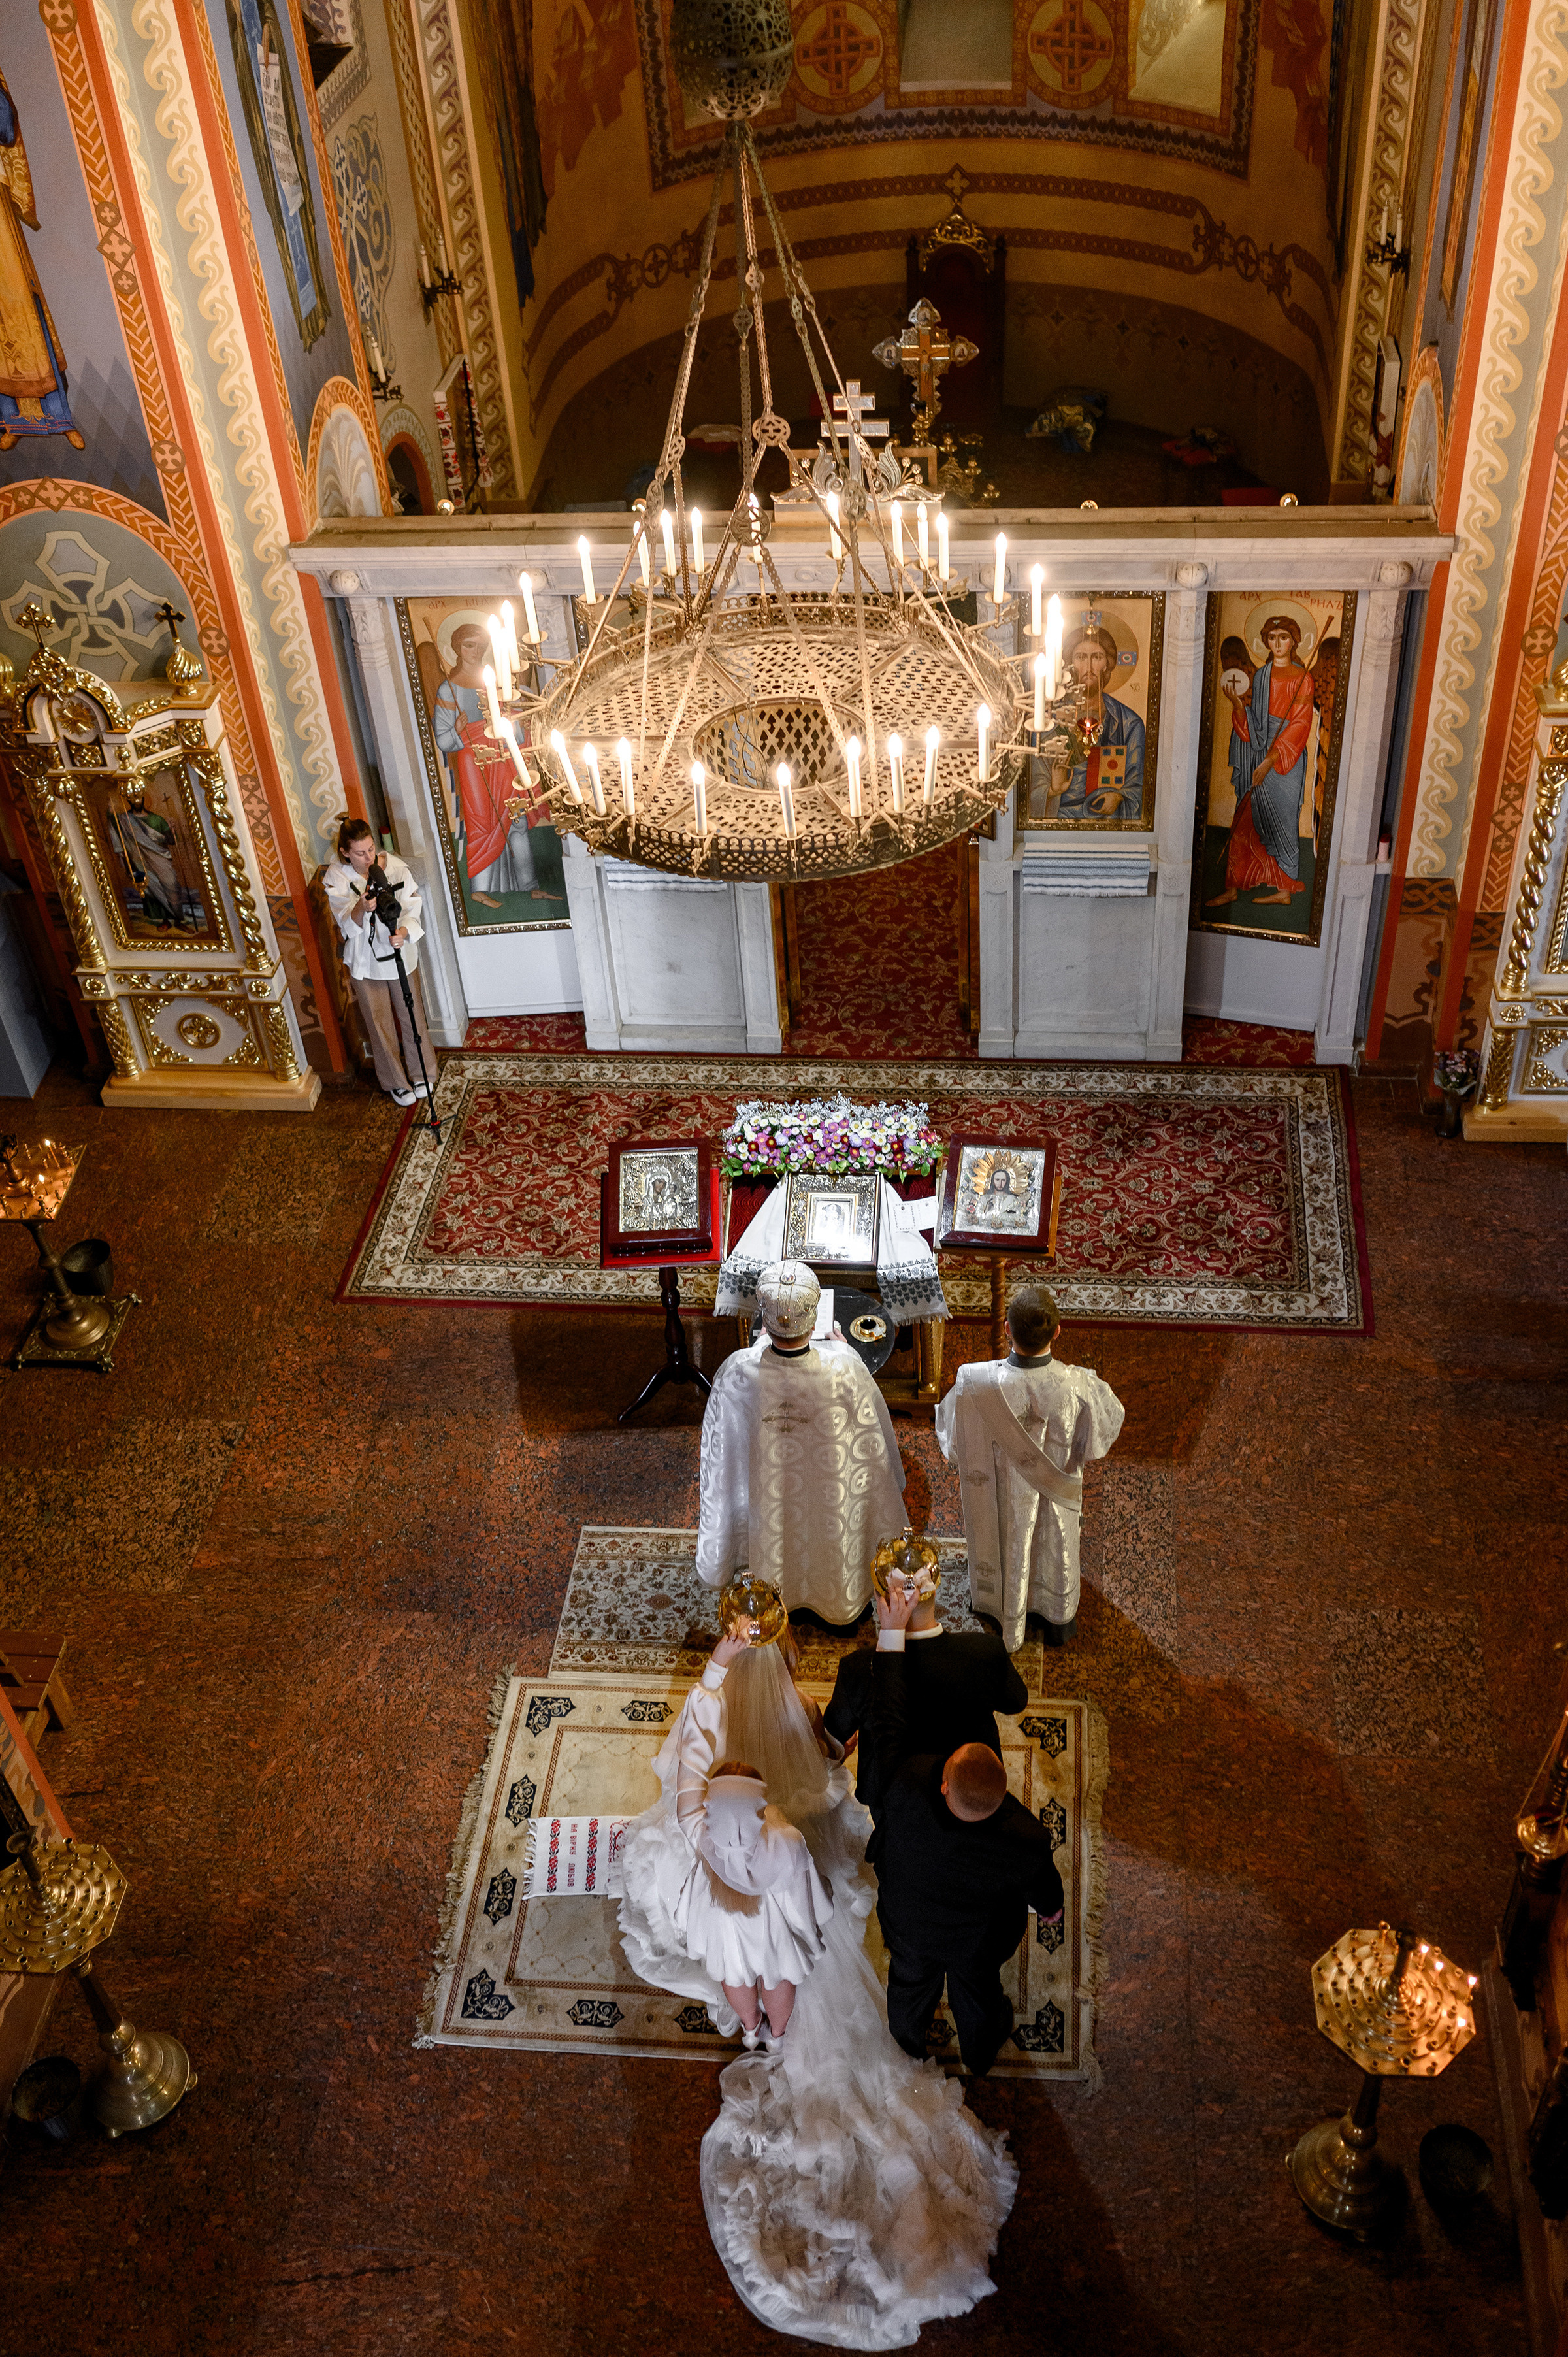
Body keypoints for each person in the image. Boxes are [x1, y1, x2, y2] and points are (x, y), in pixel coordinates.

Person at [617, 1594, 1020, 2343]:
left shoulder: (698, 1814)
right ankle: (778, 2012)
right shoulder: (783, 1837)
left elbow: (689, 1755)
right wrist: (806, 1941)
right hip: (776, 1932)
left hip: (724, 1929)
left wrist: (719, 1664)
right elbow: (808, 1892)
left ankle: (755, 2029)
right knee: (779, 1977)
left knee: (744, 1983)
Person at [865, 1594, 1064, 2080]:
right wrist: (1050, 1908)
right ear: (1003, 1793)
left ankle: (909, 2044)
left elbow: (889, 1722)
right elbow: (1049, 1898)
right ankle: (980, 2052)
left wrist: (890, 1636)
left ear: (945, 1782)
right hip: (979, 1941)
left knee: (908, 1988)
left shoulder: (905, 1789)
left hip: (911, 1927)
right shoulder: (1026, 1836)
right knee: (979, 1994)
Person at [696, 1259, 906, 1624]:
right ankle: (838, 1606)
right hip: (830, 1504)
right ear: (816, 1320)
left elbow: (719, 1456)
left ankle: (769, 1601)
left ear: (763, 1321)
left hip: (767, 1504)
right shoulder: (845, 1369)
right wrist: (844, 1350)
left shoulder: (736, 1372)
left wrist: (758, 1348)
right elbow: (878, 1452)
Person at [936, 1284, 1124, 1650]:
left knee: (1006, 1537)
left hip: (999, 1500)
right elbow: (1102, 1435)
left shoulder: (973, 1383)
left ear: (1007, 1329)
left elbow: (953, 1445)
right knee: (1051, 1545)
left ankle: (999, 1605)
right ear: (1057, 1330)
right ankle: (1052, 1613)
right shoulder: (1079, 1385)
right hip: (1054, 1497)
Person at [824, 1537, 1027, 1819]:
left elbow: (834, 1733)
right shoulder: (986, 1650)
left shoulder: (858, 1668)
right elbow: (1016, 1702)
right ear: (937, 1585)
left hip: (892, 1798)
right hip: (971, 1787)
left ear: (881, 1598)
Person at [431, 619, 557, 907]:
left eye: (481, 646)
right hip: (473, 762)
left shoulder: (500, 683)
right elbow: (444, 740)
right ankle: (478, 889)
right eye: (469, 645)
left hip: (503, 756)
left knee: (518, 822)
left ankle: (530, 886)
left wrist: (514, 721)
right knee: (482, 823)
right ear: (457, 649)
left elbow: (516, 723)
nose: (475, 651)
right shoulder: (448, 690)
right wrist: (459, 730)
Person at [322, 815, 436, 1109]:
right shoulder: (337, 878)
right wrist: (361, 906)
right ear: (346, 852)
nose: (368, 857)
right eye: (360, 853)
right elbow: (345, 924)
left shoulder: (396, 867)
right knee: (379, 1023)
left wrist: (404, 931)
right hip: (365, 963)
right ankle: (396, 1083)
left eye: (371, 849)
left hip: (399, 955)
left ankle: (423, 1072)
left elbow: (413, 905)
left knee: (411, 1014)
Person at [1207, 614, 1315, 909]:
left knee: (1283, 820)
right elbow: (1253, 725)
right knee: (1244, 820)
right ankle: (1232, 887)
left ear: (1294, 642)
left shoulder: (1304, 680)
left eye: (1284, 638)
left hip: (1284, 761)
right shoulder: (1263, 675)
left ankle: (1284, 890)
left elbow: (1300, 725)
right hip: (1258, 753)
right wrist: (1239, 708)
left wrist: (1271, 760)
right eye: (1272, 638)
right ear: (1266, 642)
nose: (1278, 644)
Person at [1045, 623, 1144, 821]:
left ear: (1107, 664)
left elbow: (1138, 786)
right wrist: (1053, 789)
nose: (1089, 668)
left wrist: (1118, 797)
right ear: (1070, 665)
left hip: (1108, 819)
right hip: (1061, 819)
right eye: (1081, 657)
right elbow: (1034, 786)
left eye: (1097, 657)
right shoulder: (1048, 721)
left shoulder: (1130, 724)